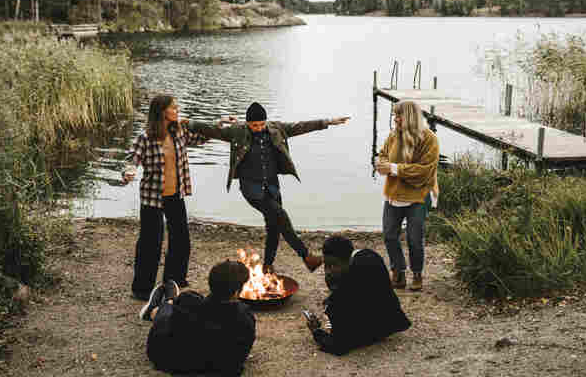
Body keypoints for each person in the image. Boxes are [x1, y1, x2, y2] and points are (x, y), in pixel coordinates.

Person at [183, 102, 350, 274]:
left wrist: (328, 122)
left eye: (261, 124)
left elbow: (300, 126)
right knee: (281, 215)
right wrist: (189, 123)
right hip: (251, 189)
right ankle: (307, 256)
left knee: (274, 225)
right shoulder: (237, 132)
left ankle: (268, 266)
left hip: (272, 186)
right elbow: (212, 130)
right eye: (254, 125)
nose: (258, 128)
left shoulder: (275, 129)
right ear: (248, 123)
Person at [123, 94, 207, 300]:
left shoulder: (179, 132)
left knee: (181, 240)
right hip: (152, 197)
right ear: (162, 111)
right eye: (173, 107)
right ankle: (142, 289)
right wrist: (129, 171)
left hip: (175, 195)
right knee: (150, 243)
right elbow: (132, 158)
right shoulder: (146, 137)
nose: (177, 109)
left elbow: (203, 137)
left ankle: (174, 282)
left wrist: (221, 124)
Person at [141, 261, 256, 376]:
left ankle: (162, 305)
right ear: (236, 292)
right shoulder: (244, 317)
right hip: (214, 368)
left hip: (168, 360)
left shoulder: (188, 304)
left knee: (168, 313)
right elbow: (239, 355)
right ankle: (166, 302)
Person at [305, 235, 411, 355]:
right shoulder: (369, 255)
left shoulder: (348, 288)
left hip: (375, 330)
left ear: (347, 260)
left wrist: (316, 332)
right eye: (326, 266)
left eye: (333, 265)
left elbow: (338, 346)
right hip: (393, 322)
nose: (329, 271)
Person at [375, 100, 439, 291]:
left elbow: (425, 170)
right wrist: (380, 162)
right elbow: (383, 154)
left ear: (410, 117)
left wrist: (393, 168)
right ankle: (398, 272)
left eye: (399, 115)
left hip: (417, 196)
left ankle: (417, 274)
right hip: (393, 195)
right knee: (389, 235)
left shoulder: (429, 139)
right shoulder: (394, 136)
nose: (395, 119)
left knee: (414, 239)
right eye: (395, 115)